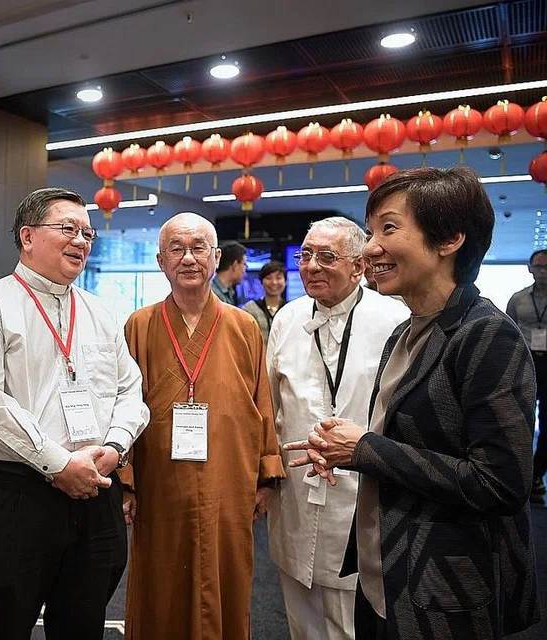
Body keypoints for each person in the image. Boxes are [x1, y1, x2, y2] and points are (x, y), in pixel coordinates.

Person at [286, 167, 540, 639]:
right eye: (370, 231)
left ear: (449, 240)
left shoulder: (487, 335)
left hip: (441, 586)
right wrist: (345, 448)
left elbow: (501, 482)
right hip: (382, 572)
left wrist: (365, 450)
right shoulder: (405, 333)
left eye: (388, 228)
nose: (369, 248)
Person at [0, 187, 149, 640]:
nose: (81, 240)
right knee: (6, 624)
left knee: (83, 623)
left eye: (87, 232)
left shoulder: (100, 312)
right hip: (17, 494)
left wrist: (116, 446)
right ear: (27, 236)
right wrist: (57, 463)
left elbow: (130, 389)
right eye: (68, 229)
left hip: (97, 488)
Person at [120, 212, 285, 640]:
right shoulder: (139, 325)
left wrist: (267, 475)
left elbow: (260, 402)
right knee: (160, 579)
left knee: (226, 576)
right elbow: (122, 408)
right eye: (176, 248)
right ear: (160, 261)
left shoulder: (243, 326)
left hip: (228, 480)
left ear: (215, 259)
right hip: (160, 481)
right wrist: (127, 481)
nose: (188, 258)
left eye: (198, 248)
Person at [266, 217, 408, 640]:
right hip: (294, 486)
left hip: (360, 487)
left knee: (351, 618)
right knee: (299, 611)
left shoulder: (393, 318)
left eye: (327, 257)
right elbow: (270, 404)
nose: (311, 266)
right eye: (305, 255)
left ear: (359, 267)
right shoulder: (287, 319)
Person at [506, 249, 547, 503]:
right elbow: (507, 333)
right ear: (530, 269)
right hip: (526, 363)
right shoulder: (518, 299)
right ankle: (519, 473)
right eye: (539, 266)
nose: (543, 271)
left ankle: (537, 473)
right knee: (521, 418)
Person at [243, 259, 288, 343]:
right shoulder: (249, 309)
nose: (274, 282)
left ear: (285, 281)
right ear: (261, 282)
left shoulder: (291, 310)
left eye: (278, 278)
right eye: (268, 278)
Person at [212, 239, 247, 305]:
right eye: (244, 264)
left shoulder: (229, 292)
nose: (244, 270)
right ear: (235, 265)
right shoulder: (212, 294)